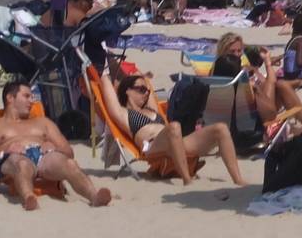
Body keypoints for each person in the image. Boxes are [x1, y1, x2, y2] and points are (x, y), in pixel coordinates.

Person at [99, 65, 247, 187]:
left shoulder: (152, 109)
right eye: (141, 90)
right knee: (174, 126)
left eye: (147, 91)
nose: (146, 93)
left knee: (220, 128)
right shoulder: (124, 114)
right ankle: (186, 179)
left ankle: (237, 179)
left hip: (175, 141)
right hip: (152, 147)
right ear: (127, 91)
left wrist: (137, 74)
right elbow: (107, 91)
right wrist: (103, 67)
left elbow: (144, 81)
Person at [0, 81, 112, 209]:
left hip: (44, 158)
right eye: (26, 96)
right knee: (22, 164)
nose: (32, 101)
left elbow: (69, 152)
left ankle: (94, 196)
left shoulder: (42, 122)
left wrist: (54, 148)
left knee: (69, 164)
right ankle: (29, 197)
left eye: (32, 97)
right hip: (11, 158)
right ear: (10, 98)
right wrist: (4, 152)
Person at [213, 33, 302, 128]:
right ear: (223, 51)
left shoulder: (241, 68)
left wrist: (264, 64)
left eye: (239, 51)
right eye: (232, 51)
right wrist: (267, 64)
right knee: (280, 85)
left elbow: (268, 83)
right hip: (253, 116)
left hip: (254, 109)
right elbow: (270, 83)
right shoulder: (227, 72)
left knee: (280, 85)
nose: (237, 54)